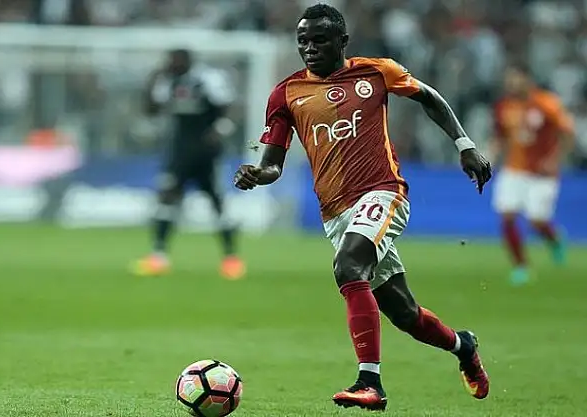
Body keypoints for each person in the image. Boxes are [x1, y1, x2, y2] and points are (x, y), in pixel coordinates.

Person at [233, 4, 492, 411]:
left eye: (319, 40)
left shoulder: (377, 71)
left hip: (383, 193)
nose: (310, 48)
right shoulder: (286, 94)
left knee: (348, 266)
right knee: (405, 314)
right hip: (336, 214)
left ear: (342, 41)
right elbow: (273, 165)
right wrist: (256, 174)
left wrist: (465, 145)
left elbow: (429, 97)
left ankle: (370, 383)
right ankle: (464, 346)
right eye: (303, 41)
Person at [132, 49, 245, 280]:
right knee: (167, 198)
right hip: (180, 151)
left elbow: (228, 108)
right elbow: (151, 111)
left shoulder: (208, 79)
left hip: (206, 151)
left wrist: (220, 130)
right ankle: (158, 257)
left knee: (216, 201)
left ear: (188, 61)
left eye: (175, 61)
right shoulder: (167, 81)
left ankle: (231, 259)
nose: (171, 64)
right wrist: (151, 82)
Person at [490, 64, 574, 286]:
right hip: (513, 169)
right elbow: (499, 136)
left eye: (515, 78)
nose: (511, 83)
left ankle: (554, 238)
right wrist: (488, 158)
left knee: (537, 220)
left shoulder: (547, 103)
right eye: (509, 79)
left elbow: (567, 133)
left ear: (527, 79)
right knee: (507, 215)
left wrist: (554, 160)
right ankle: (521, 266)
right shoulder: (503, 106)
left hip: (541, 174)